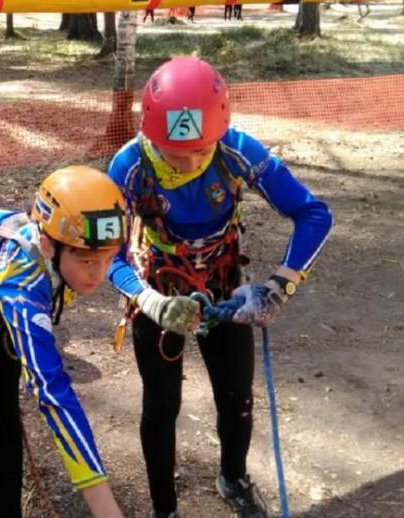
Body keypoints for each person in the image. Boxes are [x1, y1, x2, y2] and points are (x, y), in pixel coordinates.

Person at [106, 57, 334, 518]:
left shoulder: (237, 151)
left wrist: (276, 288)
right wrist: (147, 300)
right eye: (172, 152)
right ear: (150, 134)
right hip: (158, 288)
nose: (188, 161)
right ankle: (164, 509)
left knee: (237, 397)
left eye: (199, 149)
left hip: (225, 285)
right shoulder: (129, 167)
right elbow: (106, 254)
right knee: (161, 405)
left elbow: (314, 214)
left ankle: (233, 477)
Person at [0, 166, 158, 518]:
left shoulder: (72, 244)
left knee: (4, 413)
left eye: (106, 259)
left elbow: (112, 260)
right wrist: (108, 511)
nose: (98, 274)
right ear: (47, 245)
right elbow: (52, 391)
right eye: (87, 260)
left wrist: (150, 300)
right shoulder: (20, 283)